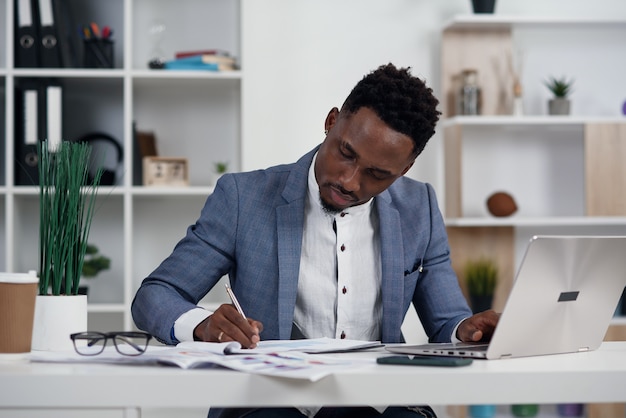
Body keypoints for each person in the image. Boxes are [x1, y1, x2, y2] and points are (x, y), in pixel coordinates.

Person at [132, 63, 500, 418]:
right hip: (267, 401)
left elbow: (447, 322)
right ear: (331, 123)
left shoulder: (419, 207)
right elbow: (155, 295)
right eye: (346, 153)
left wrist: (466, 331)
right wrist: (201, 325)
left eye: (376, 174)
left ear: (404, 169)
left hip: (379, 402)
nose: (350, 181)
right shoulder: (244, 198)